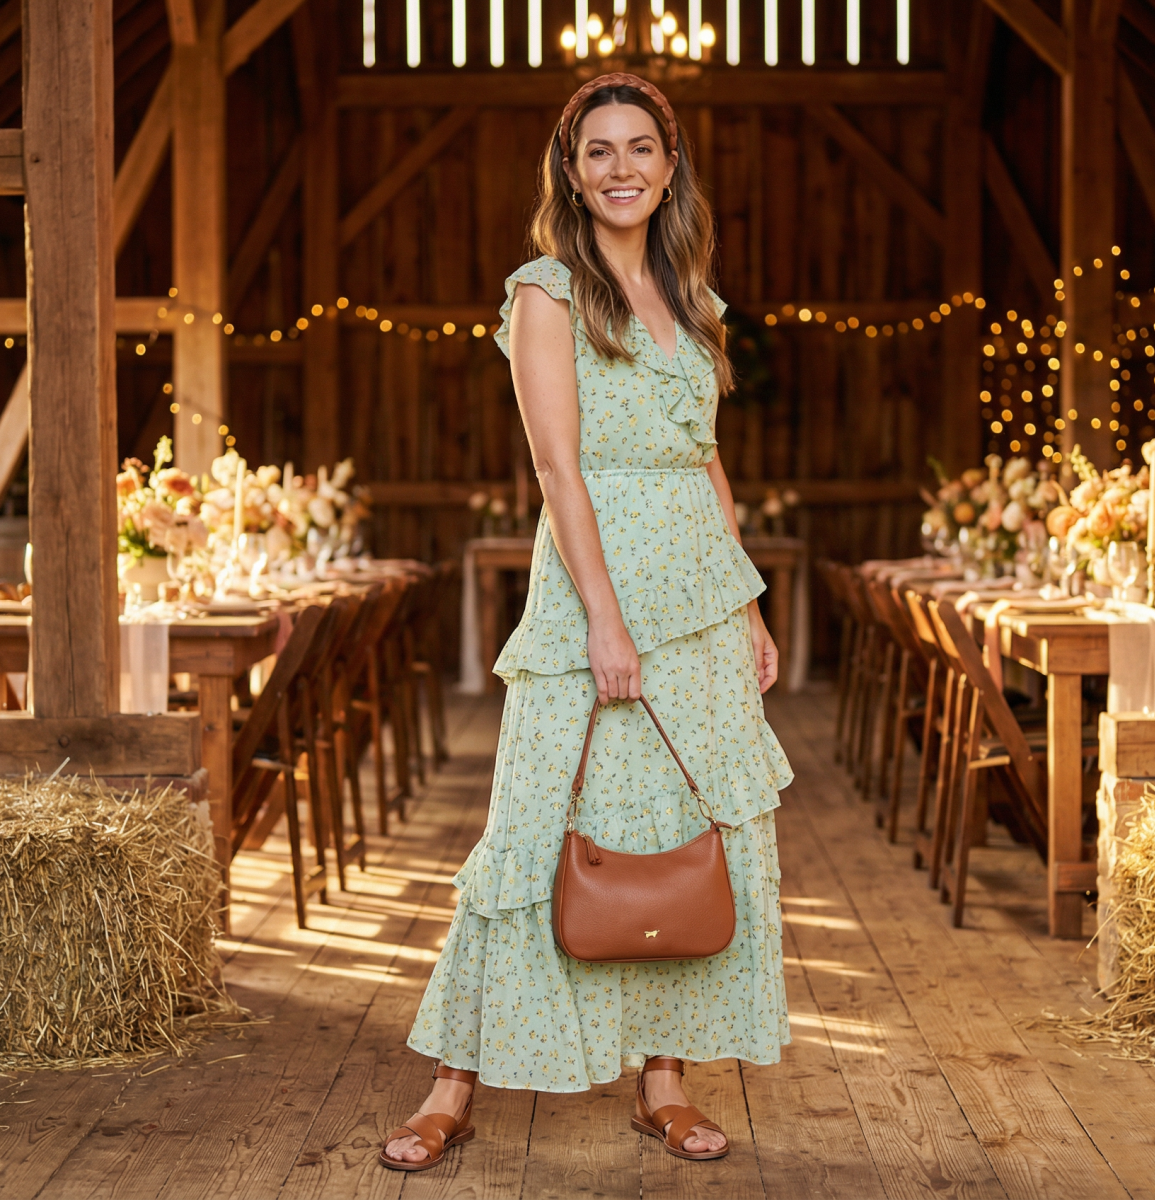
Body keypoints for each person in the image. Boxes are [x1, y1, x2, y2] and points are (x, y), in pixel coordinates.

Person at [380, 73, 793, 1174]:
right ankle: (451, 1085)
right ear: (572, 169)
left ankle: (665, 1081)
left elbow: (705, 457)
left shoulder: (692, 299)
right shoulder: (546, 292)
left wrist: (746, 602)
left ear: (669, 166)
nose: (621, 169)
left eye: (640, 149)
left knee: (680, 831)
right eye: (598, 151)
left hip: (701, 600)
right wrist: (605, 623)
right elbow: (559, 469)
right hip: (593, 591)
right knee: (531, 822)